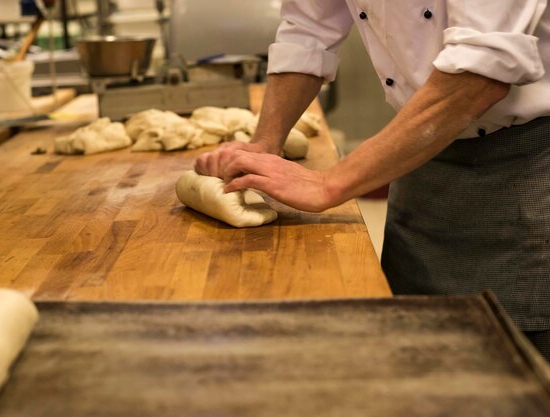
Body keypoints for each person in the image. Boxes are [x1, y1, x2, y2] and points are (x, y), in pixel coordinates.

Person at [195, 1, 550, 361]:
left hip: (530, 166)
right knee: (416, 336)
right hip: (421, 159)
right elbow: (307, 29)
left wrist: (328, 184)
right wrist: (265, 144)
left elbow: (479, 74)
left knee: (517, 361)